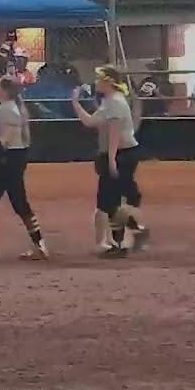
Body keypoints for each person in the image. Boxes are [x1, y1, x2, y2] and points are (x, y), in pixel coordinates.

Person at [71, 66, 146, 257]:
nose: (96, 82)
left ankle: (122, 241)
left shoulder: (114, 102)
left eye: (99, 79)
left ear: (108, 82)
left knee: (110, 200)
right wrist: (76, 103)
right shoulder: (110, 101)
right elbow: (89, 122)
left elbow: (114, 133)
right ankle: (131, 233)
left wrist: (111, 159)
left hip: (121, 153)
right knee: (111, 199)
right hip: (120, 152)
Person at [0, 77, 47, 260]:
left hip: (7, 160)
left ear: (6, 91)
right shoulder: (9, 109)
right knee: (18, 203)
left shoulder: (5, 110)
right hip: (14, 159)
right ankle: (39, 243)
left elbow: (4, 139)